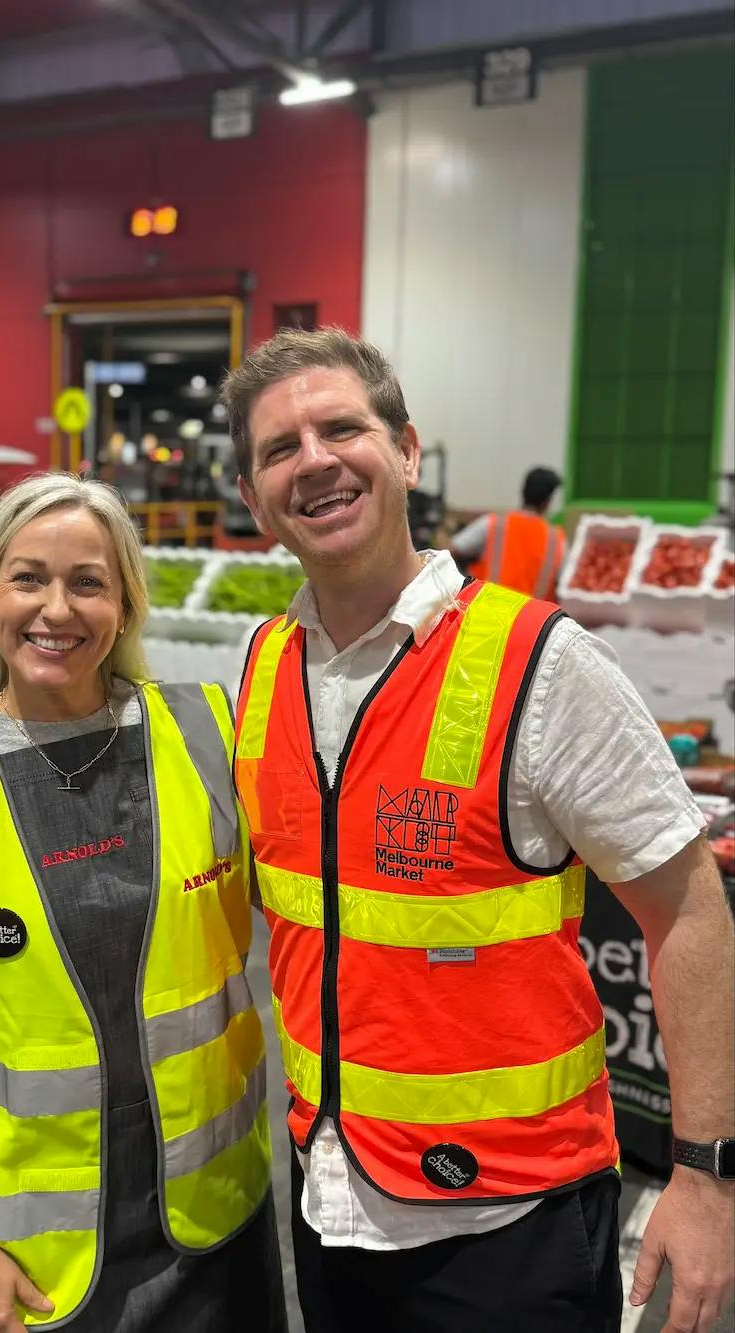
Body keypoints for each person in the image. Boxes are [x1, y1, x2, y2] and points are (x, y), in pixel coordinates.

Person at [221, 327, 734, 1333]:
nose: (314, 460)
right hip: (328, 1193)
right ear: (252, 498)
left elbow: (690, 916)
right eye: (278, 449)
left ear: (405, 451)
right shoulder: (261, 663)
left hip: (509, 1220)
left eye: (341, 428)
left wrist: (705, 1175)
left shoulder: (543, 662)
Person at [0, 473, 286, 1333]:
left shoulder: (204, 735)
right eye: (28, 577)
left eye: (88, 582)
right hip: (14, 1262)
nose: (56, 609)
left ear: (125, 605)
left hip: (211, 1228)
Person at [449, 466, 565, 598]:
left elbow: (451, 548)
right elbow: (563, 586)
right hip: (534, 617)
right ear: (547, 501)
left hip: (486, 611)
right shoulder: (556, 539)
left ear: (523, 492)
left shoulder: (494, 523)